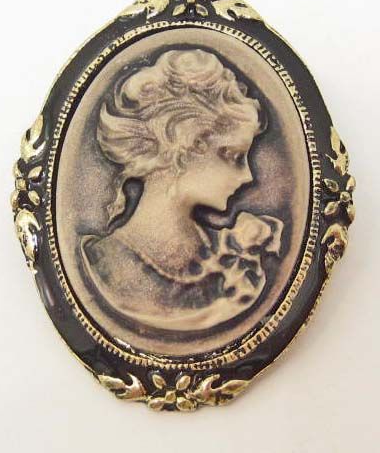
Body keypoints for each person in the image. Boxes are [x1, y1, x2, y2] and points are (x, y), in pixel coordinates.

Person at [81, 48, 283, 332]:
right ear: (183, 150)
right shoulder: (105, 265)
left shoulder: (230, 251)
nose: (248, 176)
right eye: (233, 156)